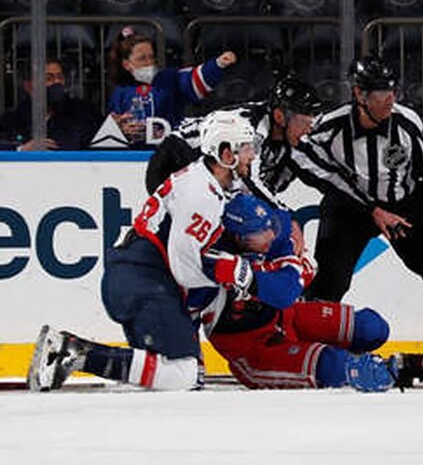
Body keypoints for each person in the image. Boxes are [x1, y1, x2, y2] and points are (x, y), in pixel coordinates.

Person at [28, 111, 260, 392]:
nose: (252, 155)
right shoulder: (201, 195)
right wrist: (233, 280)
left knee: (182, 373)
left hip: (138, 275)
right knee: (182, 376)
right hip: (146, 280)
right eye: (246, 148)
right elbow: (183, 269)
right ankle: (72, 352)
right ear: (225, 153)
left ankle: (74, 353)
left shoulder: (202, 180)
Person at [291, 58, 423, 329]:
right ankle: (305, 346)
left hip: (403, 205)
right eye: (381, 93)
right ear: (359, 94)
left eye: (393, 91)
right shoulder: (330, 127)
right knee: (330, 282)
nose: (390, 99)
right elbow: (301, 156)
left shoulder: (405, 122)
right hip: (351, 209)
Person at [207, 194, 423, 391]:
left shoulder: (274, 233)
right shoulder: (207, 262)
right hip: (253, 351)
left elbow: (289, 289)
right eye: (260, 232)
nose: (270, 235)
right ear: (239, 237)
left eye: (270, 227)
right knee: (333, 366)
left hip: (288, 315)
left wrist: (250, 277)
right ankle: (399, 367)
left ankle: (374, 363)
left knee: (372, 327)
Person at [144, 74, 323, 199]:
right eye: (305, 121)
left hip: (212, 169)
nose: (309, 129)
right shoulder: (251, 130)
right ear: (279, 116)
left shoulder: (291, 143)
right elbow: (250, 183)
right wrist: (285, 216)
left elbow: (266, 191)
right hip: (175, 159)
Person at [106, 27, 237, 143]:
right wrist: (120, 128)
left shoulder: (170, 78)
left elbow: (195, 79)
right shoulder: (120, 91)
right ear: (126, 64)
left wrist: (217, 64)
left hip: (170, 151)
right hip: (130, 156)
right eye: (142, 58)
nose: (149, 62)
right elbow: (111, 129)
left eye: (151, 57)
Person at [0, 58, 102, 151]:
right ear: (29, 86)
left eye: (60, 77)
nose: (57, 82)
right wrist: (23, 149)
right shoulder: (13, 118)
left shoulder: (83, 112)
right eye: (49, 78)